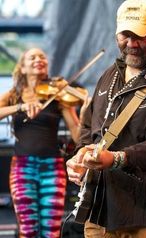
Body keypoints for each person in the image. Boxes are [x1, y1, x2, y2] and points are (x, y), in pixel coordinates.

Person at [65, 0, 146, 237]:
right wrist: (81, 157)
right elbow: (89, 127)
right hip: (99, 210)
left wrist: (113, 158)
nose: (132, 44)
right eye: (125, 36)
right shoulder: (109, 74)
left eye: (140, 36)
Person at [0, 47, 87, 237]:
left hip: (53, 167)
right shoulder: (14, 94)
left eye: (42, 57)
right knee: (28, 229)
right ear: (22, 68)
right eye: (32, 57)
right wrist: (20, 106)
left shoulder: (58, 94)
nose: (39, 59)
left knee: (51, 231)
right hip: (23, 167)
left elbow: (76, 133)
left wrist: (85, 110)